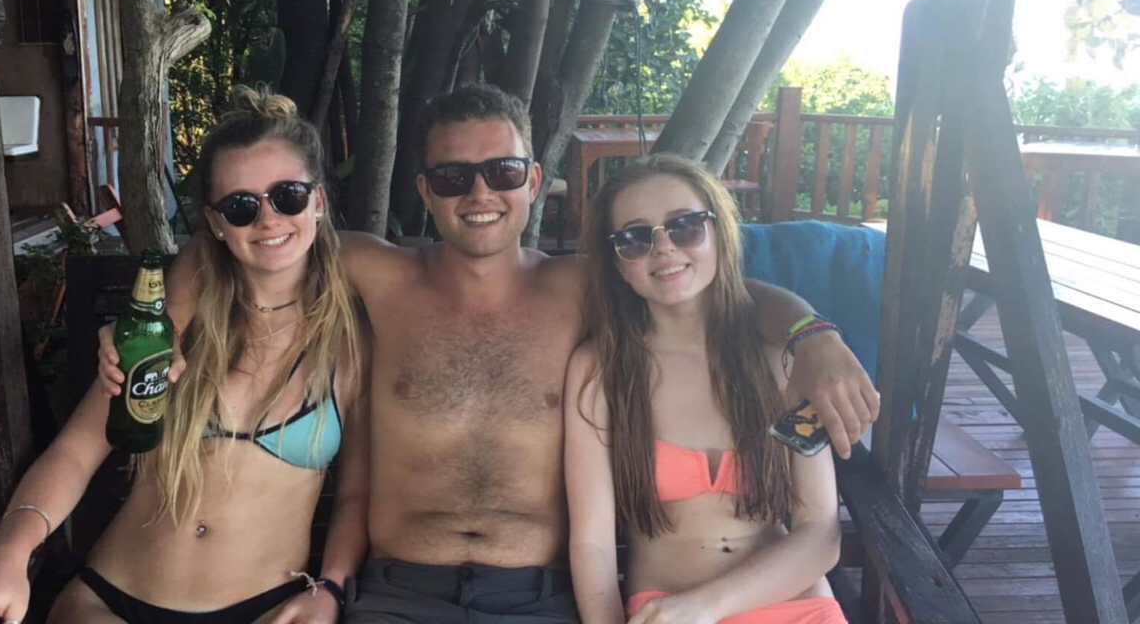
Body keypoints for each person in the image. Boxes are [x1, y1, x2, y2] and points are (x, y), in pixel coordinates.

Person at [98, 85, 877, 622]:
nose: (480, 193)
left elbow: (715, 290)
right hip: (400, 591)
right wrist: (151, 322)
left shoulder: (589, 281)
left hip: (538, 597)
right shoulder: (376, 270)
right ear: (426, 192)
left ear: (533, 181)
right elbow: (244, 232)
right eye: (453, 176)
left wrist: (814, 334)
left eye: (502, 171)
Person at [0, 88, 369, 624]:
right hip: (112, 601)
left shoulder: (348, 342)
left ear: (318, 202)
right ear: (217, 223)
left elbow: (356, 492)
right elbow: (77, 449)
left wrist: (332, 589)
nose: (269, 219)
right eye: (242, 206)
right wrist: (7, 556)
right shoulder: (171, 331)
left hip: (266, 609)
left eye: (289, 195)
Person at [566, 155, 846, 624]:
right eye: (635, 238)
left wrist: (703, 606)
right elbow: (591, 541)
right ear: (617, 264)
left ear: (719, 232)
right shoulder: (601, 371)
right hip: (660, 611)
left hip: (796, 605)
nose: (664, 249)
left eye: (686, 226)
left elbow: (820, 531)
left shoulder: (783, 359)